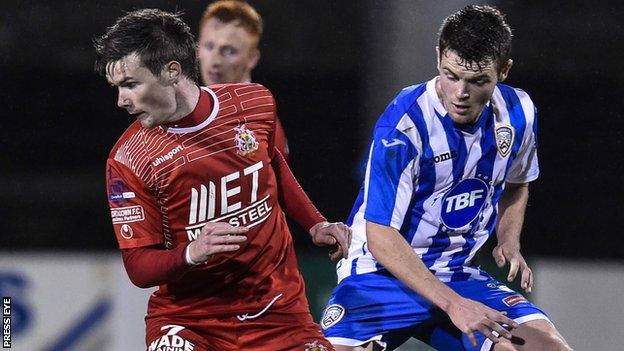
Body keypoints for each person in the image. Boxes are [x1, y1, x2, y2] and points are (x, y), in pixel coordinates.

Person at [94, 9, 350, 351]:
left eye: (130, 85)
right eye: (118, 87)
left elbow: (272, 164)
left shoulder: (255, 101)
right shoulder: (129, 159)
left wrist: (315, 223)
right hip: (189, 321)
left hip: (279, 313)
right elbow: (139, 267)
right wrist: (192, 252)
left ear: (171, 72)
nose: (121, 100)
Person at [320, 5, 572, 351]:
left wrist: (508, 239)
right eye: (451, 75)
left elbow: (517, 183)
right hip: (381, 275)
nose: (460, 93)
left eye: (477, 80)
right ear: (439, 57)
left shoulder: (518, 113)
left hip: (458, 273)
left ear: (504, 71)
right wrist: (455, 305)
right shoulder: (404, 126)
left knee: (548, 348)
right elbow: (380, 234)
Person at [197, 0, 290, 160]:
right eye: (209, 46)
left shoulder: (261, 123)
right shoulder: (188, 115)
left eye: (228, 50)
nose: (215, 60)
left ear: (252, 58)